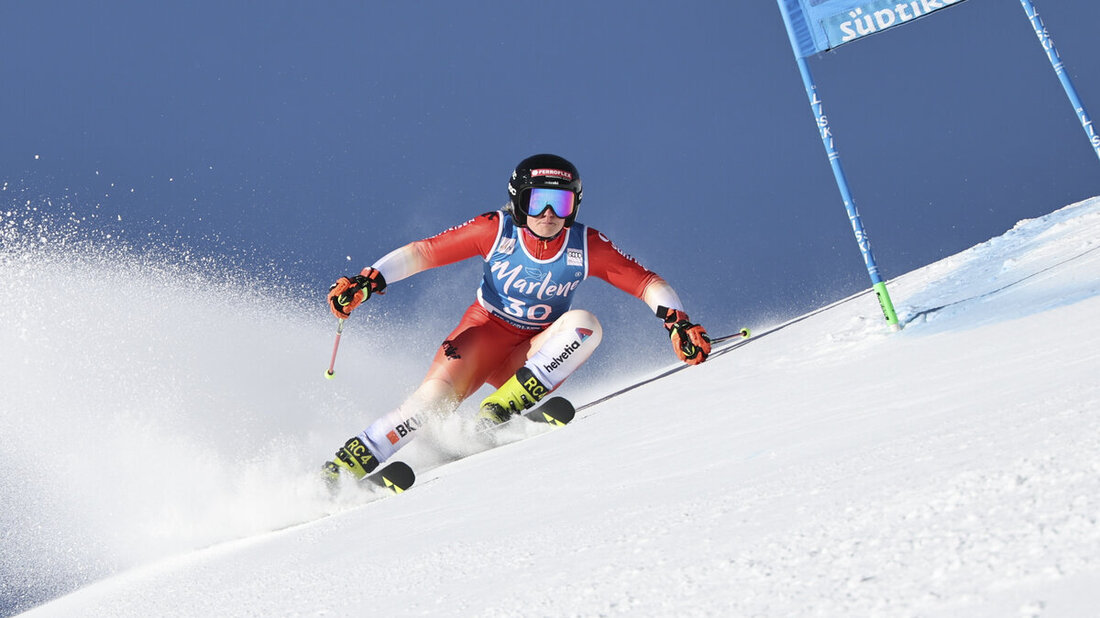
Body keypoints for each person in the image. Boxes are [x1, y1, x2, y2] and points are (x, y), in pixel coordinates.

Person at [321, 154, 711, 482]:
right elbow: (424, 252)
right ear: (518, 200)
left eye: (560, 204)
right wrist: (369, 280)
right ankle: (343, 469)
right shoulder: (496, 230)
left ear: (574, 206)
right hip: (481, 337)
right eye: (538, 201)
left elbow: (645, 283)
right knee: (430, 405)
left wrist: (678, 322)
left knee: (585, 325)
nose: (547, 215)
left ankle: (498, 410)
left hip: (529, 355)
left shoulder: (585, 245)